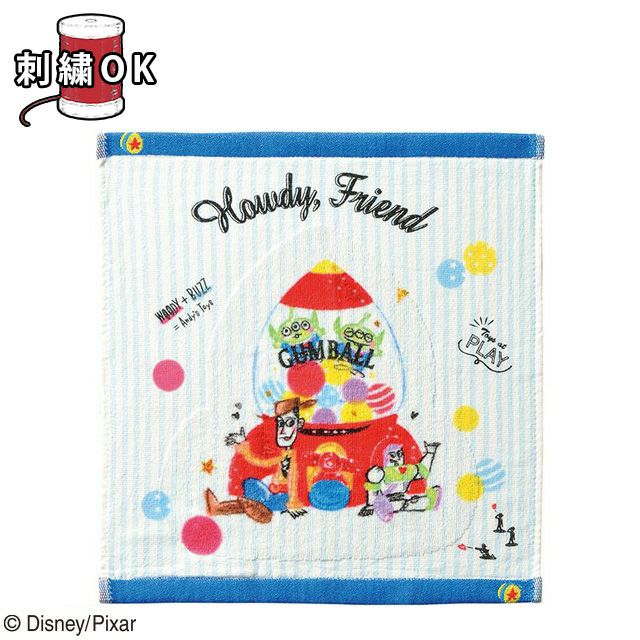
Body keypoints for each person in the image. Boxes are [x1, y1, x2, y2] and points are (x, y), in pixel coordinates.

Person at [225, 397, 316, 518]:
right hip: (274, 492)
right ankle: (251, 507)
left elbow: (294, 481)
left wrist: (293, 502)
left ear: (299, 424)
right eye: (280, 424)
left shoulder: (296, 455)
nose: (283, 431)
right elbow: (264, 463)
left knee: (269, 499)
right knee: (250, 484)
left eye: (289, 423)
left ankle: (257, 511)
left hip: (287, 497)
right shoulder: (285, 453)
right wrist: (246, 451)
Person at [358, 441, 441, 519]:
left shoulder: (407, 470)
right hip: (384, 502)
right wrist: (371, 505)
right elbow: (373, 490)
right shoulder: (379, 474)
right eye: (392, 455)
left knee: (432, 493)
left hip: (403, 500)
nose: (397, 458)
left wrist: (430, 452)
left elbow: (423, 471)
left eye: (399, 454)